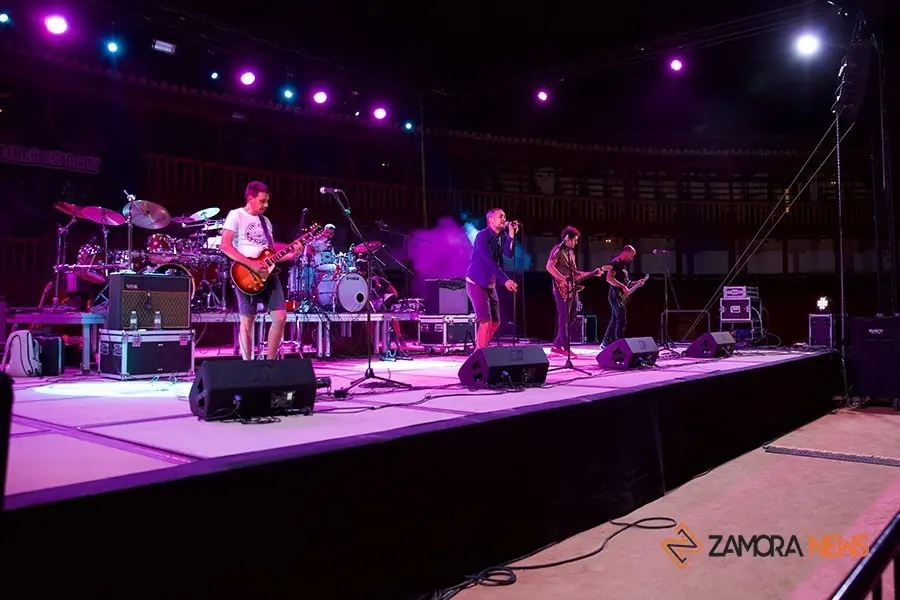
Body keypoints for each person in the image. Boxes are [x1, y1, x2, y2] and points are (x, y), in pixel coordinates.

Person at [221, 181, 300, 360]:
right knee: (247, 321)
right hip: (244, 275)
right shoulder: (236, 215)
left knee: (280, 318)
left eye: (267, 201)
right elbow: (225, 246)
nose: (266, 205)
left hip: (268, 275)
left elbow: (271, 253)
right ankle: (248, 366)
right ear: (251, 199)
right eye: (262, 201)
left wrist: (291, 255)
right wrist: (251, 264)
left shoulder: (266, 222)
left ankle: (270, 364)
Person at [546, 226, 606, 356]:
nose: (576, 242)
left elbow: (575, 274)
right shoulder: (557, 250)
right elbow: (549, 266)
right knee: (564, 317)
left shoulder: (571, 253)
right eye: (575, 240)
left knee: (572, 316)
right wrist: (563, 279)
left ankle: (556, 345)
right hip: (561, 288)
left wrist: (592, 273)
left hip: (572, 289)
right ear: (567, 238)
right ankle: (566, 348)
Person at [465, 208, 519, 349]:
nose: (504, 219)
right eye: (500, 216)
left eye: (504, 216)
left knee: (495, 322)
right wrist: (506, 280)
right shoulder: (482, 236)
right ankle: (481, 352)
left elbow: (509, 253)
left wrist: (511, 235)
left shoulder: (501, 236)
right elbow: (489, 262)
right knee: (485, 320)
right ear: (491, 220)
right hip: (476, 283)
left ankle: (480, 348)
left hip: (490, 284)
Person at [602, 244, 637, 349]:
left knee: (614, 319)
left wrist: (636, 283)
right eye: (631, 256)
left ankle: (606, 341)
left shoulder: (623, 265)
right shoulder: (615, 263)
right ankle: (619, 343)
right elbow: (609, 278)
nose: (632, 258)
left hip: (619, 296)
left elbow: (626, 283)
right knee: (620, 319)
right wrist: (622, 286)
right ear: (625, 252)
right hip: (615, 295)